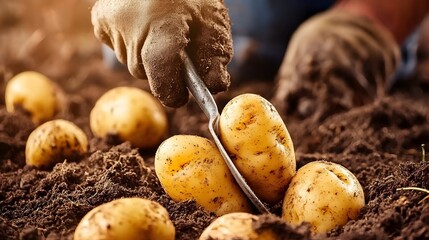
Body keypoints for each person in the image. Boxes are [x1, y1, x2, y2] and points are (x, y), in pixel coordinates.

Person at [90, 0, 429, 114]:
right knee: (154, 51)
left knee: (333, 66)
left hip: (329, 17)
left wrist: (372, 18)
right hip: (174, 21)